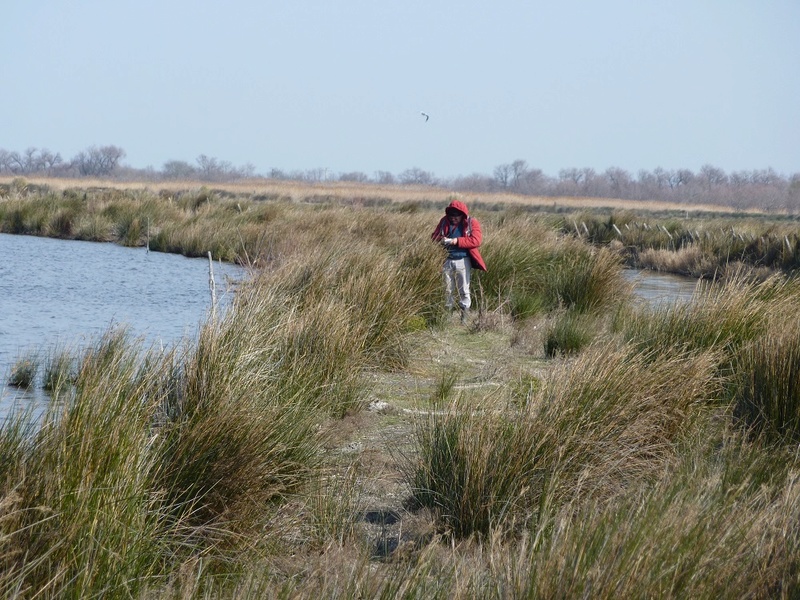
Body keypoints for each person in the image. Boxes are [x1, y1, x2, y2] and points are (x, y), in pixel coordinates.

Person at [431, 197, 487, 324]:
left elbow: (476, 240)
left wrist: (456, 241)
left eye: (456, 215)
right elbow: (434, 236)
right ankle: (447, 317)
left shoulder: (472, 222)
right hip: (446, 260)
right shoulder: (444, 221)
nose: (453, 218)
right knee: (447, 289)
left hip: (463, 260)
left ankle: (464, 317)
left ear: (462, 214)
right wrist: (441, 239)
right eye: (451, 215)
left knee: (464, 290)